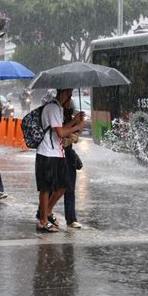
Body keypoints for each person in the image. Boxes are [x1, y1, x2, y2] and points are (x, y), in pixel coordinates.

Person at [35, 88, 86, 232]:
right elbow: (60, 132)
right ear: (63, 93)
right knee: (46, 188)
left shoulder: (58, 108)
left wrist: (75, 121)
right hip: (47, 153)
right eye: (69, 93)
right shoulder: (52, 107)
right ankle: (43, 220)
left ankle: (48, 211)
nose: (70, 96)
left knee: (64, 185)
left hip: (58, 153)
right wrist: (78, 125)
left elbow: (62, 128)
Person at [62, 98, 84, 229]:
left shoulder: (71, 117)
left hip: (68, 156)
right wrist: (75, 125)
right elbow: (60, 134)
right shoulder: (56, 115)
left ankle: (71, 218)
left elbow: (74, 139)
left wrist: (74, 137)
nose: (70, 100)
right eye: (68, 97)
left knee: (70, 188)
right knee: (55, 189)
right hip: (56, 156)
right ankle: (43, 213)